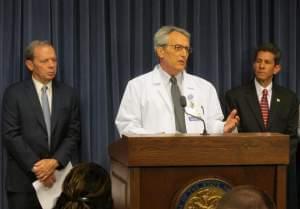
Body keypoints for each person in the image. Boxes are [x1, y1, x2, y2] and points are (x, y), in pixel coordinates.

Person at [115, 25, 239, 135]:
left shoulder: (205, 87)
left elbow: (211, 125)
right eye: (178, 47)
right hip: (155, 157)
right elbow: (127, 127)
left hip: (197, 157)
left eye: (186, 49)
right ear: (160, 51)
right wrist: (158, 138)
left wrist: (223, 127)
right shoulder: (137, 86)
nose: (184, 54)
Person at [2, 40, 81, 209]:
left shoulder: (69, 94)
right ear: (30, 64)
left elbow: (73, 134)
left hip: (58, 181)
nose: (52, 65)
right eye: (45, 61)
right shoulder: (13, 94)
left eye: (54, 60)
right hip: (23, 183)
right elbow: (11, 135)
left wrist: (54, 162)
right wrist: (40, 169)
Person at [224, 43, 298, 209]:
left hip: (280, 170)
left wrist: (277, 158)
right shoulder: (235, 96)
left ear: (276, 68)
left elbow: (292, 136)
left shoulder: (289, 98)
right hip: (246, 168)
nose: (261, 66)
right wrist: (256, 158)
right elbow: (234, 134)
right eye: (258, 61)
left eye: (267, 62)